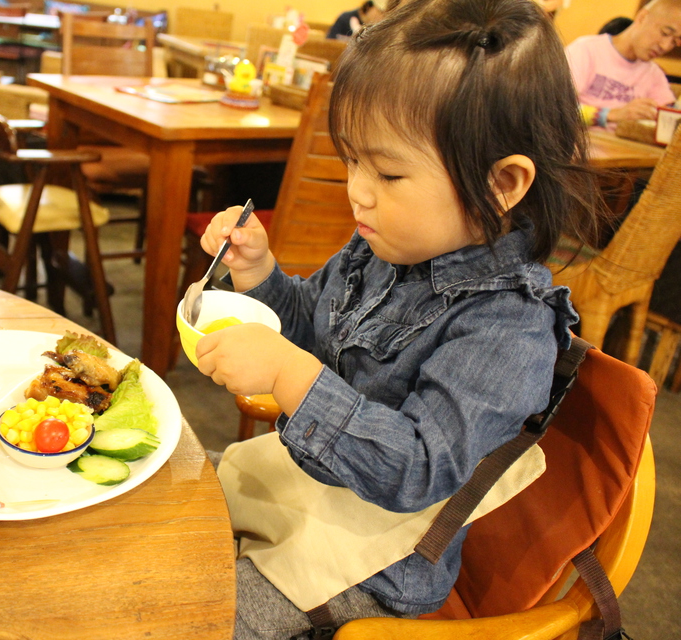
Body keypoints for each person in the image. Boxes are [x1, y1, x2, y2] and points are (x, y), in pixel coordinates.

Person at [193, 0, 600, 637]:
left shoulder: (507, 329)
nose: (358, 188)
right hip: (312, 491)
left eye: (386, 171)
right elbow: (309, 324)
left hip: (377, 564)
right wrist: (258, 272)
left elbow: (415, 469)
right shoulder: (385, 247)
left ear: (502, 184)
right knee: (167, 505)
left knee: (198, 615)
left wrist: (290, 373)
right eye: (352, 160)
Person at [565, 0, 681, 130]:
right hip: (575, 143)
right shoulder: (586, 49)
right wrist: (610, 114)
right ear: (642, 17)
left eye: (674, 42)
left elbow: (670, 118)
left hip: (620, 147)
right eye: (665, 33)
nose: (665, 46)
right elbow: (553, 108)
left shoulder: (654, 74)